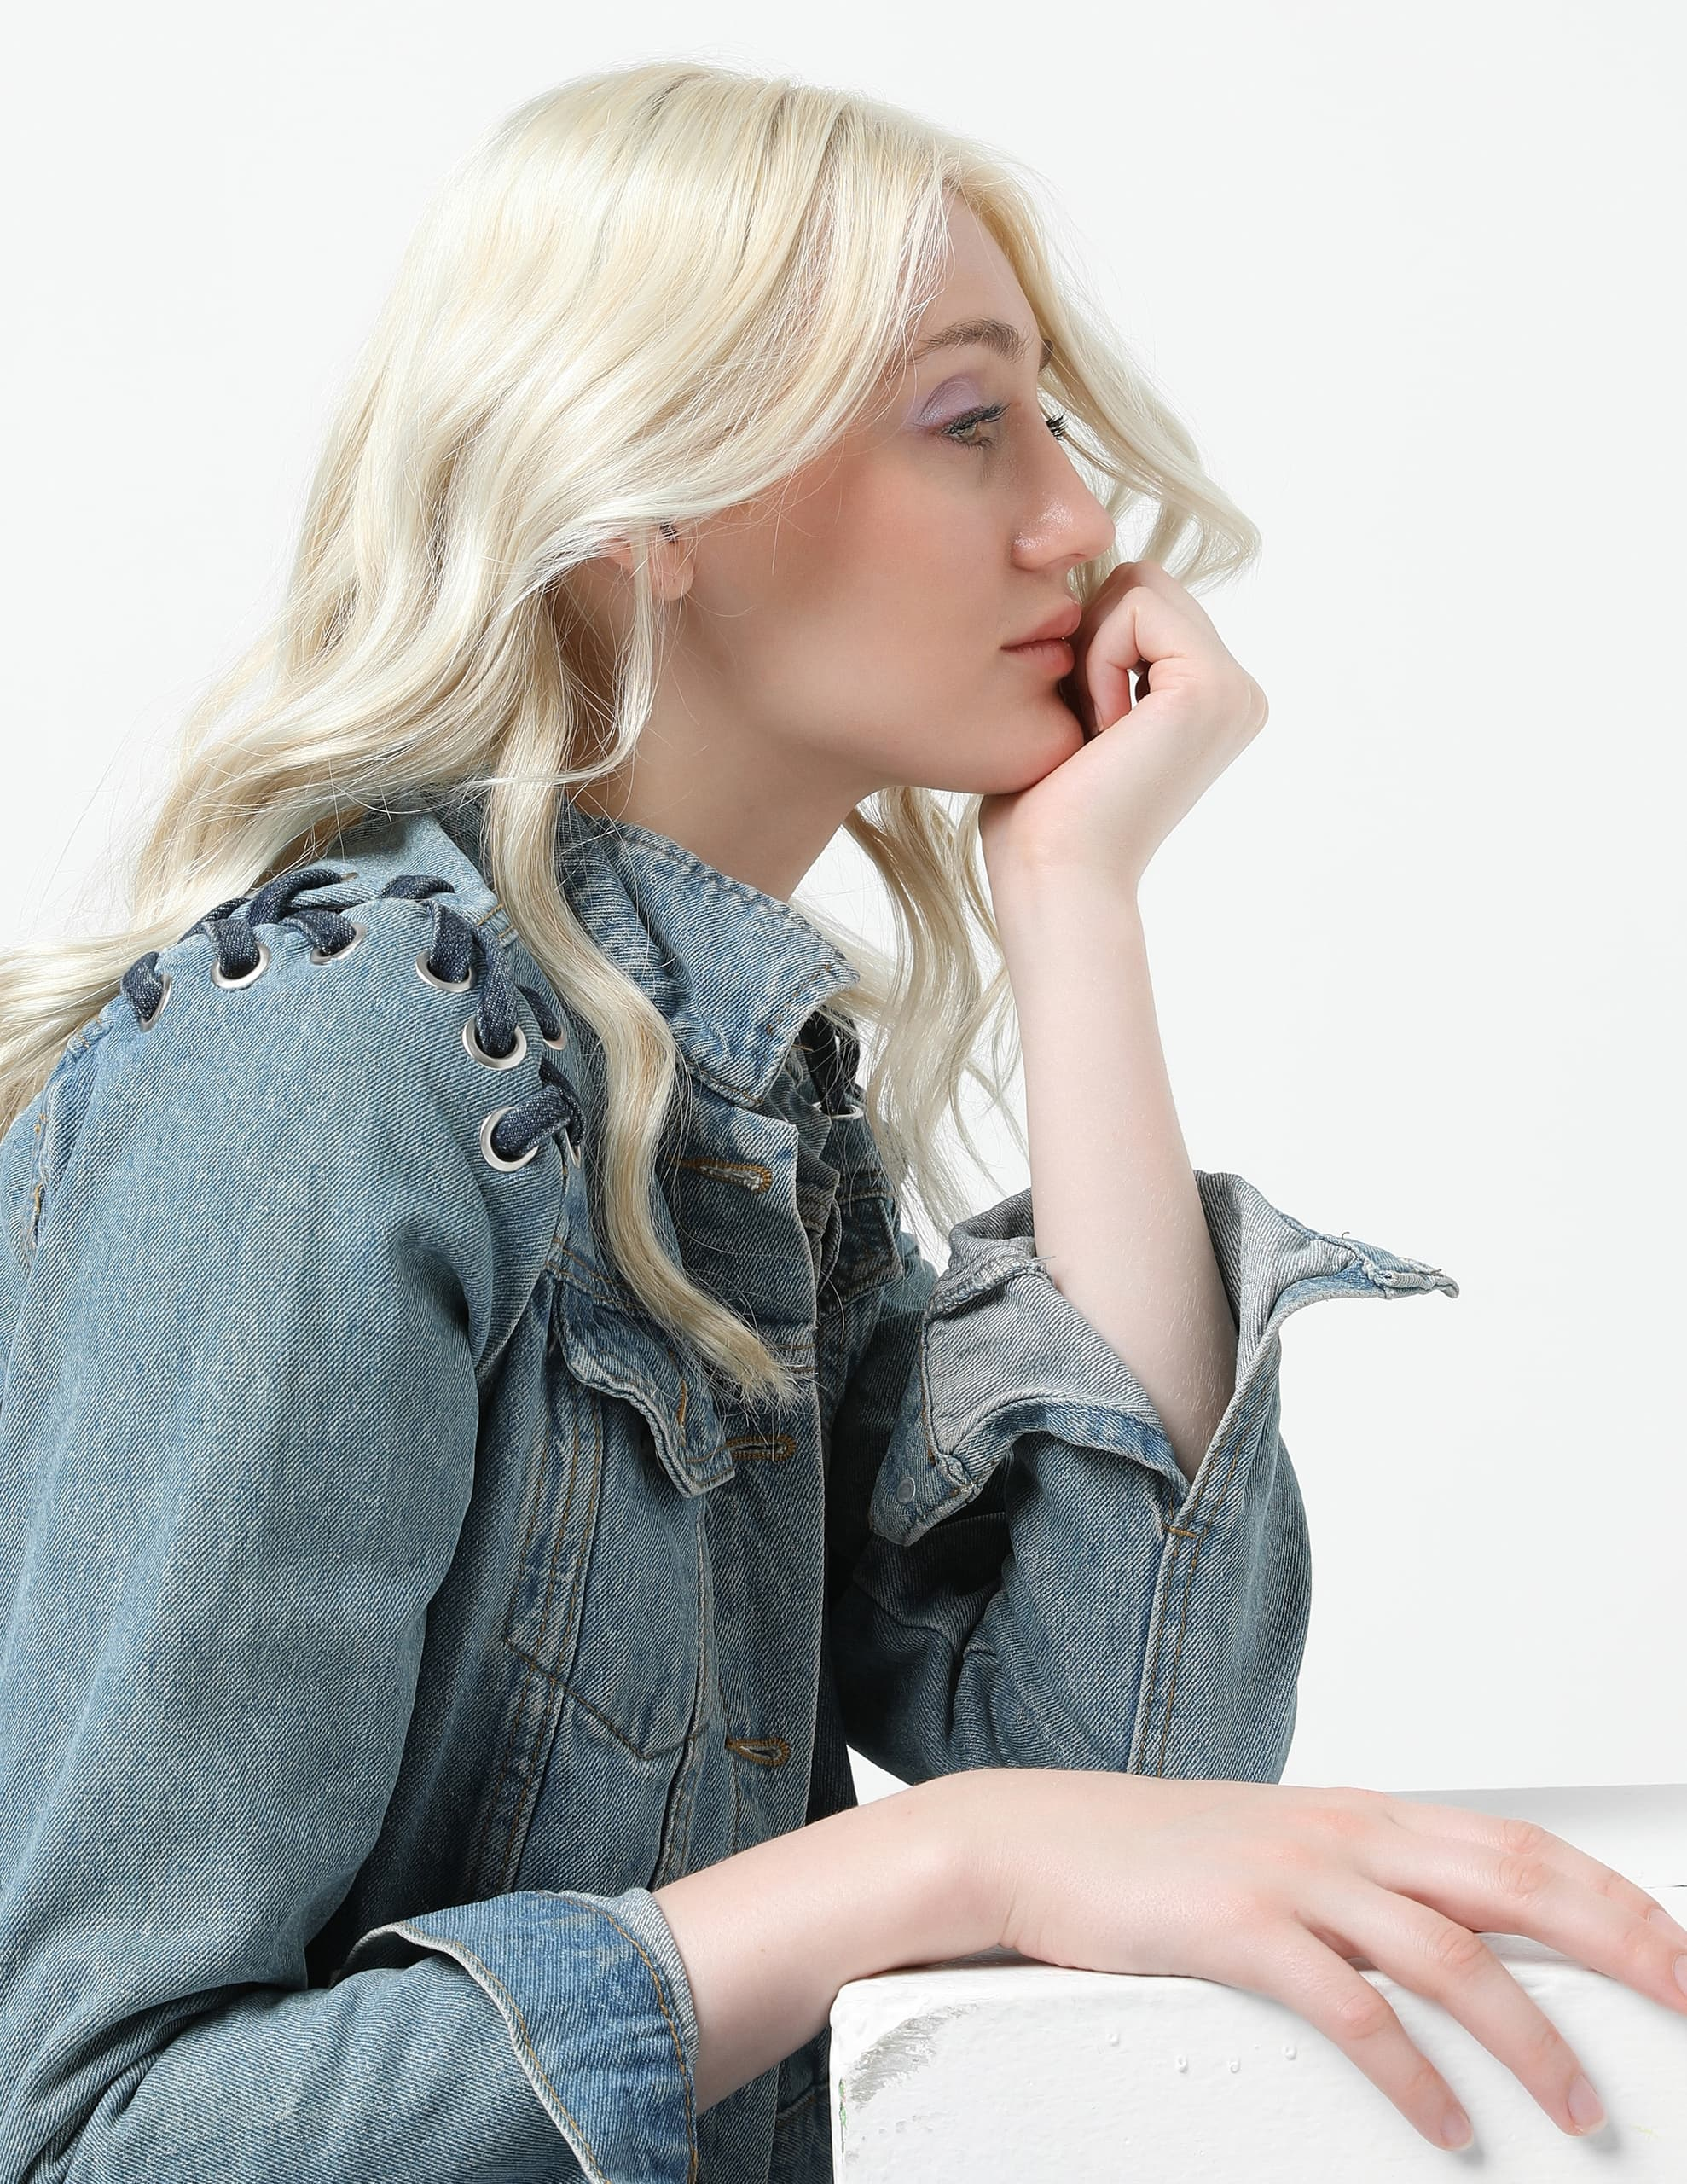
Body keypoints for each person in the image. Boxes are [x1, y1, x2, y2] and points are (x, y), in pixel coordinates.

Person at [1, 57, 1682, 2184]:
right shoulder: (335, 1066)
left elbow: (1135, 1774)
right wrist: (929, 1862)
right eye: (970, 420)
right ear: (646, 495)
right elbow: (101, 2130)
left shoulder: (725, 1115)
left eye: (1050, 425)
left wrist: (1074, 909)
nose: (1075, 524)